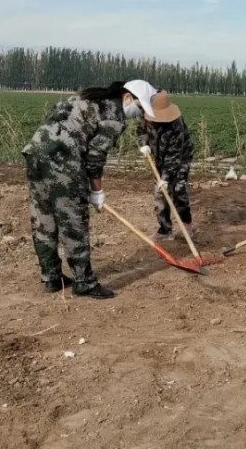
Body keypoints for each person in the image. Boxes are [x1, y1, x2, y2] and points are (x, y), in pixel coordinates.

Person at [21, 81, 139, 299]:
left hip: (36, 154)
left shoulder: (87, 97)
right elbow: (95, 157)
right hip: (63, 161)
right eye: (139, 107)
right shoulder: (114, 114)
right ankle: (83, 281)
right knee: (73, 221)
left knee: (43, 218)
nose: (138, 114)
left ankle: (51, 278)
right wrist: (97, 192)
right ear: (127, 98)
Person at [135, 90, 195, 240]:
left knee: (178, 188)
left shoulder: (176, 126)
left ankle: (186, 224)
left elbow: (174, 155)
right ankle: (165, 229)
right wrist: (143, 144)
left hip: (180, 157)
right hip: (159, 157)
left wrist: (166, 178)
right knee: (159, 193)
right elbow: (141, 130)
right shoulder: (145, 114)